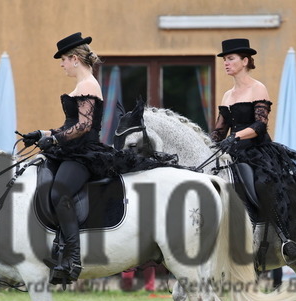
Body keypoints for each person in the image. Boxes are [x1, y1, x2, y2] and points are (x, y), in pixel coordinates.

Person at [21, 33, 178, 284]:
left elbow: (84, 126)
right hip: (71, 151)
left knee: (59, 192)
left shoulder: (88, 85)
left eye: (63, 59)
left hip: (84, 154)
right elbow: (70, 124)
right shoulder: (81, 86)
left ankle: (72, 257)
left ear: (74, 59)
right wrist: (43, 133)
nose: (61, 65)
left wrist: (55, 140)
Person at [209, 38, 296, 264]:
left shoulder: (258, 88)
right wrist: (207, 144)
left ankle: (285, 239)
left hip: (257, 152)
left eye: (230, 58)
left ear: (245, 61)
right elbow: (219, 131)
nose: (226, 63)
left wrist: (236, 136)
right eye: (224, 59)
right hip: (232, 153)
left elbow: (260, 125)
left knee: (263, 184)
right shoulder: (227, 95)